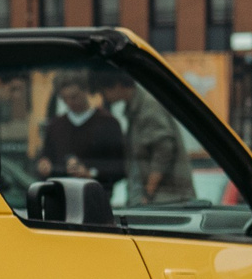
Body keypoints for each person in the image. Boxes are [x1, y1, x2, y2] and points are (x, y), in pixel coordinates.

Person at [117, 72, 195, 204]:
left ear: (117, 85)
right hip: (151, 199)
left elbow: (164, 150)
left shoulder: (149, 107)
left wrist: (148, 193)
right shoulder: (133, 110)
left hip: (166, 200)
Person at [37, 74, 129, 184]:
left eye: (74, 97)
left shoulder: (108, 123)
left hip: (96, 195)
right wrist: (44, 165)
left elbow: (120, 166)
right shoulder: (55, 125)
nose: (70, 102)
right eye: (64, 99)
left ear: (85, 91)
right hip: (61, 195)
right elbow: (46, 156)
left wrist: (91, 173)